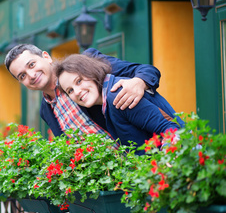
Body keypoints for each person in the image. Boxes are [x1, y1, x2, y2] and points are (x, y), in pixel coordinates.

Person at [4, 44, 162, 137]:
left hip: (146, 152)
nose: (31, 75)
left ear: (46, 57)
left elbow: (146, 70)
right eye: (22, 75)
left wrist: (140, 82)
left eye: (31, 64)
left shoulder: (86, 63)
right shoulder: (46, 110)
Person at [54, 54, 183, 152]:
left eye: (79, 81)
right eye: (70, 90)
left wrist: (165, 164)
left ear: (90, 72)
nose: (76, 92)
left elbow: (170, 128)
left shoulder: (118, 96)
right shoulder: (107, 103)